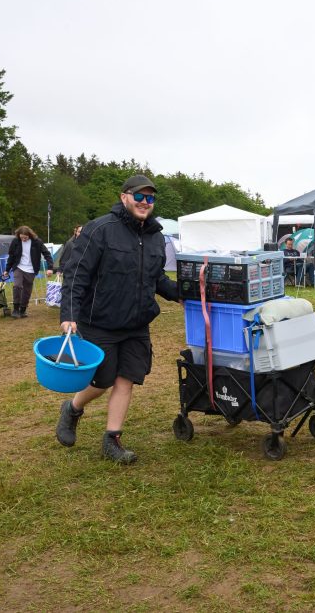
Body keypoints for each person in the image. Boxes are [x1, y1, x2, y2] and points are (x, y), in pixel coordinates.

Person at [56, 174, 180, 464]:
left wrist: (178, 293)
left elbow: (156, 276)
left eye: (150, 198)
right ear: (124, 197)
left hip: (137, 323)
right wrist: (69, 315)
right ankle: (72, 408)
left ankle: (112, 440)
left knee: (126, 379)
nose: (145, 203)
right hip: (101, 321)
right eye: (139, 196)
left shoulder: (155, 236)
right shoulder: (100, 229)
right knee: (102, 380)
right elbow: (77, 274)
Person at [3, 226, 54, 318]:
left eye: (25, 238)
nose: (23, 239)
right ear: (19, 235)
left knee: (27, 290)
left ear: (29, 235)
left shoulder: (37, 242)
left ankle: (22, 310)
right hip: (19, 267)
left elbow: (46, 254)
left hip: (31, 269)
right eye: (21, 237)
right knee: (17, 286)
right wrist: (7, 269)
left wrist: (50, 267)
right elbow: (11, 256)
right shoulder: (15, 241)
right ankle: (15, 309)